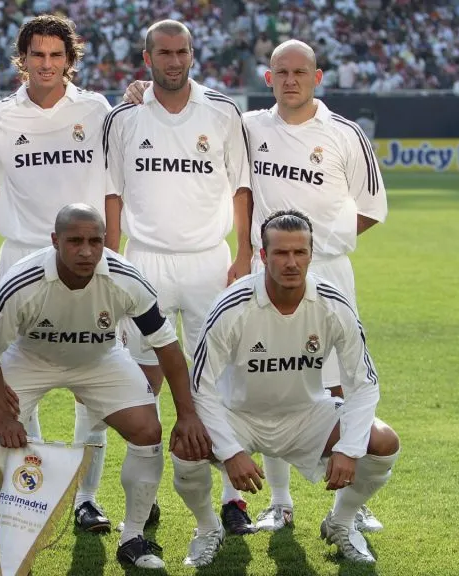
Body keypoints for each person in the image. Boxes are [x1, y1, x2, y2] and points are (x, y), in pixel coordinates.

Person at [0, 204, 211, 573]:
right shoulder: (22, 280)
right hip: (31, 358)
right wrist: (0, 412)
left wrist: (187, 414)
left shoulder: (126, 278)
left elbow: (168, 349)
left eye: (95, 241)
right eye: (75, 241)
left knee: (148, 429)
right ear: (54, 241)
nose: (86, 251)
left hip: (101, 359)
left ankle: (133, 536)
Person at [175, 210, 399, 566]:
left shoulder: (332, 303)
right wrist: (230, 450)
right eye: (280, 253)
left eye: (300, 252)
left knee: (383, 442)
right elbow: (199, 385)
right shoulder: (232, 305)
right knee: (186, 446)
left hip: (306, 416)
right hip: (241, 416)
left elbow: (365, 384)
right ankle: (207, 529)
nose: (291, 262)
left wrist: (350, 448)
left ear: (312, 254)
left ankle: (341, 522)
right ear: (263, 256)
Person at [103, 19, 252, 532]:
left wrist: (245, 251)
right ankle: (143, 506)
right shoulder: (124, 115)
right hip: (144, 262)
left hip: (209, 259)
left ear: (193, 54)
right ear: (147, 58)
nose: (173, 60)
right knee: (142, 385)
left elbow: (242, 188)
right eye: (163, 52)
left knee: (220, 378)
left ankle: (233, 501)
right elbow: (112, 193)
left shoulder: (223, 111)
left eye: (181, 51)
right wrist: (111, 258)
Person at [241, 39, 389, 534]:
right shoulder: (250, 128)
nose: (290, 80)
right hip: (266, 275)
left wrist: (320, 249)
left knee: (342, 381)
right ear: (269, 78)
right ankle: (278, 503)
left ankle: (351, 501)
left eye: (300, 71)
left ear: (318, 77)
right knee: (270, 382)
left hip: (329, 273)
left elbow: (371, 207)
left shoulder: (346, 134)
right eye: (280, 71)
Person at [0, 13, 116, 537]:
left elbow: (111, 188)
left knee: (95, 381)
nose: (46, 64)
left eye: (56, 55)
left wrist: (111, 253)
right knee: (13, 383)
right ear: (22, 59)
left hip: (85, 260)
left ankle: (87, 498)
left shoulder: (96, 109)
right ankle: (27, 488)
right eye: (37, 55)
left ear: (69, 60)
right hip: (19, 259)